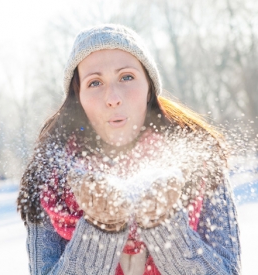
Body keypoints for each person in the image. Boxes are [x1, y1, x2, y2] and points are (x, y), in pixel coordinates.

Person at [17, 24, 241, 275]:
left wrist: (163, 226)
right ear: (77, 98)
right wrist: (101, 227)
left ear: (149, 88)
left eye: (126, 77)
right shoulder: (49, 178)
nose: (113, 97)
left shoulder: (200, 161)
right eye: (94, 83)